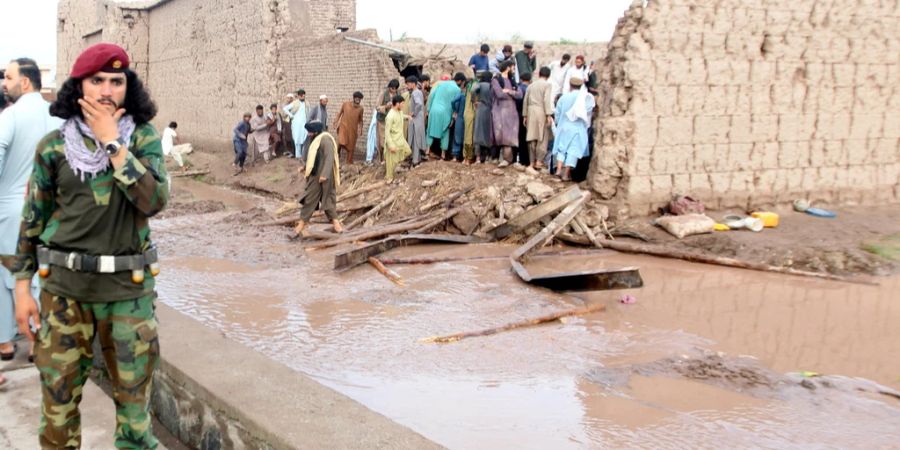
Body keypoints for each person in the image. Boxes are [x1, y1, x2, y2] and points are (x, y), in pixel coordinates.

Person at [9, 43, 168, 449]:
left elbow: (153, 202)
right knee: (57, 421)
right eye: (96, 80)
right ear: (78, 86)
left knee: (135, 424)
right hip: (64, 296)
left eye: (117, 81)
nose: (106, 90)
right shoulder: (53, 147)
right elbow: (33, 220)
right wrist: (23, 288)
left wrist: (114, 144)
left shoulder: (144, 139)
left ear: (126, 88)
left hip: (128, 296)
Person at [0, 58, 63, 372]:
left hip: (10, 210)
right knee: (41, 273)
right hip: (50, 211)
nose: (4, 83)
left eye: (8, 77)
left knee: (6, 277)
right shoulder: (58, 116)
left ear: (25, 82)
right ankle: (38, 342)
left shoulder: (10, 116)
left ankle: (6, 343)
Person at [293, 122, 342, 236]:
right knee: (309, 199)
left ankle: (337, 225)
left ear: (316, 132)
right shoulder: (316, 140)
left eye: (310, 132)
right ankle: (301, 225)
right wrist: (305, 168)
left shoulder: (326, 140)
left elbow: (329, 158)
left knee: (328, 200)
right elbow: (314, 158)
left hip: (325, 177)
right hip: (315, 176)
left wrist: (324, 174)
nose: (308, 134)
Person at [552, 76, 595, 181]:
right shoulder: (584, 98)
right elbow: (589, 110)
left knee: (561, 148)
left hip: (564, 127)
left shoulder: (563, 97)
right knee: (573, 150)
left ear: (570, 86)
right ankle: (566, 174)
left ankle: (558, 170)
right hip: (578, 128)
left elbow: (557, 112)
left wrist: (558, 123)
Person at [491, 61, 524, 167]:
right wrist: (510, 93)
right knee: (501, 136)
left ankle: (507, 160)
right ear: (508, 68)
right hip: (499, 111)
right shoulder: (496, 80)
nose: (514, 70)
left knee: (510, 136)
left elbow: (519, 95)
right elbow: (499, 94)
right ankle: (501, 159)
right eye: (513, 67)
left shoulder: (513, 81)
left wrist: (509, 91)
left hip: (511, 111)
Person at [426, 72, 465, 160]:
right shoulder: (457, 89)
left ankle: (427, 150)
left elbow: (432, 95)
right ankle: (443, 155)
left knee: (430, 130)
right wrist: (453, 116)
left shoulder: (440, 84)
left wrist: (429, 109)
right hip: (446, 113)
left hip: (434, 110)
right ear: (459, 81)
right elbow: (456, 104)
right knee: (445, 133)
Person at [523, 66, 554, 170]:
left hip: (530, 112)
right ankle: (539, 161)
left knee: (531, 137)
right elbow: (546, 100)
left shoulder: (531, 85)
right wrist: (548, 114)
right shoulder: (547, 85)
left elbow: (525, 101)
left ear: (539, 74)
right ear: (548, 76)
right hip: (541, 111)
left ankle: (531, 162)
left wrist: (525, 115)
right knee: (542, 137)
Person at [384, 95, 412, 183]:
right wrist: (391, 145)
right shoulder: (390, 116)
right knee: (390, 162)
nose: (403, 105)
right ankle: (389, 178)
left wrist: (407, 117)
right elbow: (387, 132)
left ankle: (397, 166)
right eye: (402, 103)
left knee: (408, 151)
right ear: (397, 104)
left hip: (400, 139)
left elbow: (401, 116)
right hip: (392, 141)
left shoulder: (399, 111)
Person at [334, 91, 364, 164]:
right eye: (356, 98)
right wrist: (336, 121)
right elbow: (340, 113)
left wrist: (360, 129)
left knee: (351, 148)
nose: (358, 100)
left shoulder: (360, 109)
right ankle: (336, 157)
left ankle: (349, 163)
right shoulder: (345, 104)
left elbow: (360, 120)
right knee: (341, 141)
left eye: (359, 99)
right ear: (353, 98)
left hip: (353, 130)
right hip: (343, 127)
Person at [375, 79, 399, 163]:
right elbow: (377, 107)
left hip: (392, 121)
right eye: (392, 88)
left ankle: (390, 158)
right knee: (383, 141)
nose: (393, 90)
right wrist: (386, 106)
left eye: (395, 89)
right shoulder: (383, 94)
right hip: (382, 121)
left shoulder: (397, 95)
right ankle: (383, 158)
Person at [472, 71, 494, 163]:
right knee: (488, 133)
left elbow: (473, 90)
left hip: (480, 109)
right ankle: (488, 157)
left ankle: (477, 158)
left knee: (478, 132)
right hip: (489, 110)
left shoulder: (479, 84)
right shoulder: (491, 85)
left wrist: (474, 101)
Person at [405, 75, 426, 166]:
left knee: (416, 140)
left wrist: (413, 113)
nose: (407, 86)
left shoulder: (415, 93)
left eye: (408, 84)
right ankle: (416, 158)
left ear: (413, 84)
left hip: (416, 120)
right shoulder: (418, 92)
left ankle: (415, 161)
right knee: (416, 139)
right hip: (418, 119)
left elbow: (419, 104)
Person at [283, 89, 308, 160]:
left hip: (304, 124)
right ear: (299, 96)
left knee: (304, 139)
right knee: (297, 139)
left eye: (304, 95)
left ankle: (303, 156)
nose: (303, 97)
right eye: (302, 96)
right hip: (296, 124)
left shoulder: (307, 103)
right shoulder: (295, 103)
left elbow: (308, 111)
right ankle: (298, 156)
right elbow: (285, 109)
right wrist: (291, 115)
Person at [450, 75, 468, 162]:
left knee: (457, 136)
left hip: (460, 117)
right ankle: (464, 156)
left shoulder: (460, 93)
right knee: (465, 136)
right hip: (467, 117)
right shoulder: (468, 93)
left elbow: (453, 101)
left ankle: (455, 156)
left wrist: (454, 111)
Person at [461, 76, 478, 165]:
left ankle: (465, 157)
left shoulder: (467, 89)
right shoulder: (473, 87)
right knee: (469, 137)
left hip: (466, 114)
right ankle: (468, 158)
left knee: (466, 136)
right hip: (471, 115)